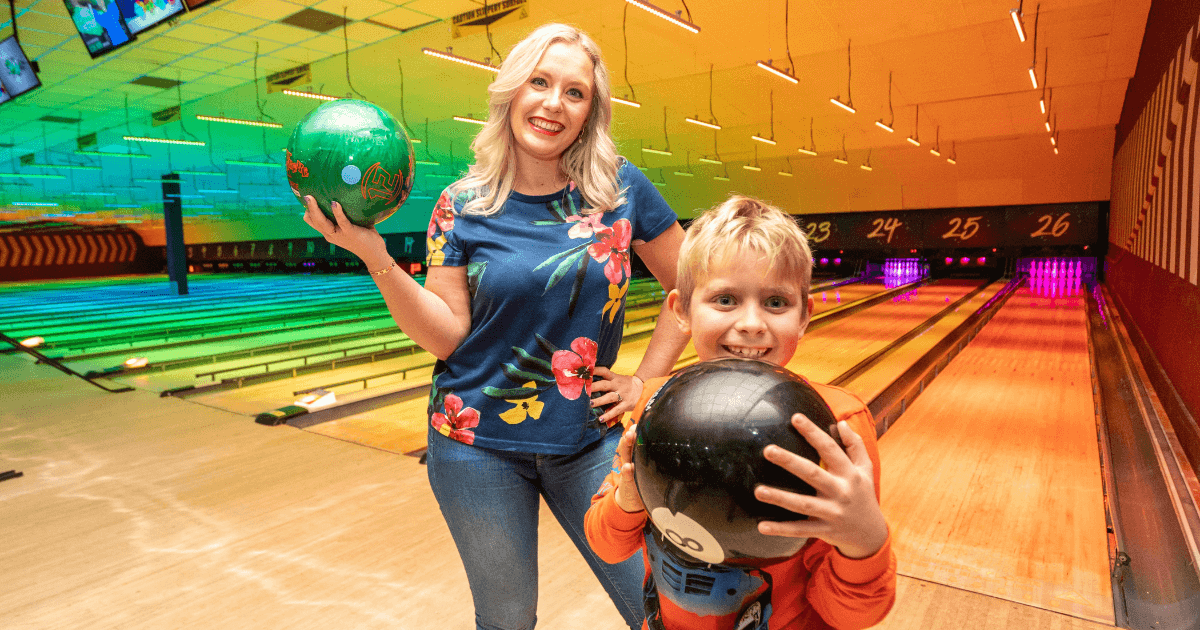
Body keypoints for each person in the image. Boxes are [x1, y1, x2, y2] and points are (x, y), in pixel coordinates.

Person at [302, 23, 688, 630]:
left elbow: (689, 288)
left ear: (591, 111)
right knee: (507, 619)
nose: (553, 103)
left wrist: (648, 380)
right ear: (512, 90)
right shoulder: (461, 204)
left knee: (660, 610)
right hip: (474, 445)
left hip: (590, 439)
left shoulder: (621, 189)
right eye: (540, 82)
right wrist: (374, 255)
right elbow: (448, 335)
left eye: (574, 92)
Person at [584, 196, 897, 629]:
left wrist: (864, 543)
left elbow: (850, 615)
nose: (751, 323)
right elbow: (607, 545)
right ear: (680, 311)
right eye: (726, 299)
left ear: (805, 315)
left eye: (775, 302)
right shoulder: (654, 406)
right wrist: (626, 502)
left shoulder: (837, 429)